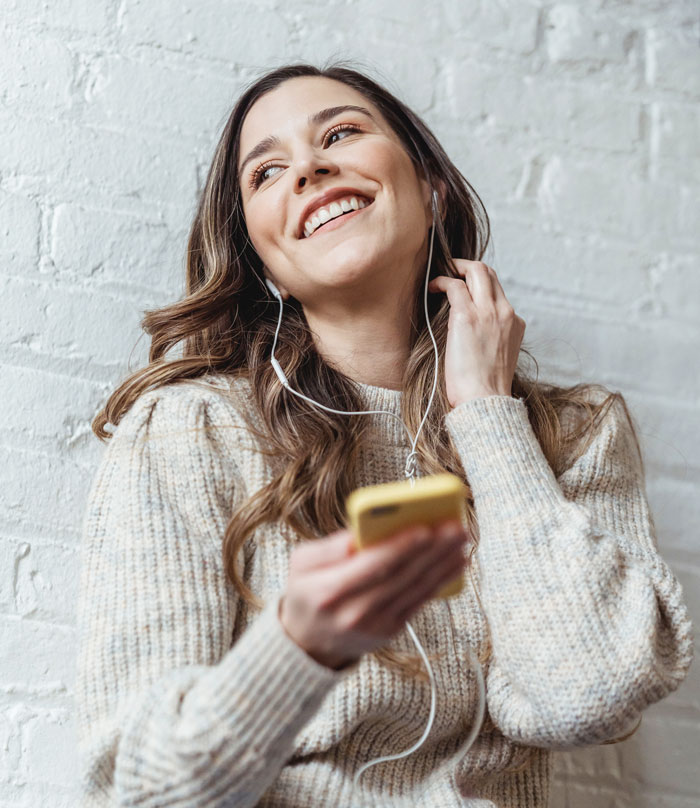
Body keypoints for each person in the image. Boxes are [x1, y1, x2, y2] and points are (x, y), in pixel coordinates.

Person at [75, 60, 694, 808]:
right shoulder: (192, 431)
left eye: (340, 132)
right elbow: (139, 791)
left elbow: (588, 693)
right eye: (267, 172)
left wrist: (489, 421)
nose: (309, 167)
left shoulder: (574, 434)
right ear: (263, 263)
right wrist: (297, 646)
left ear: (430, 190)